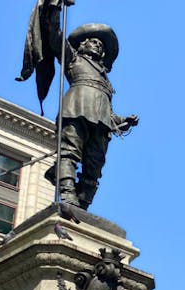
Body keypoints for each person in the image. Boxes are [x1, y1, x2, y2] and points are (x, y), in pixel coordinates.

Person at [55, 24, 138, 210]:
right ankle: (67, 193)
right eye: (93, 41)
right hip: (76, 109)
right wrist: (53, 5)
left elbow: (108, 110)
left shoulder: (105, 79)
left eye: (101, 45)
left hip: (101, 121)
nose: (98, 46)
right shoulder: (73, 59)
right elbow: (55, 34)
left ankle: (83, 203)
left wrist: (123, 121)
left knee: (95, 164)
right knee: (69, 152)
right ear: (82, 45)